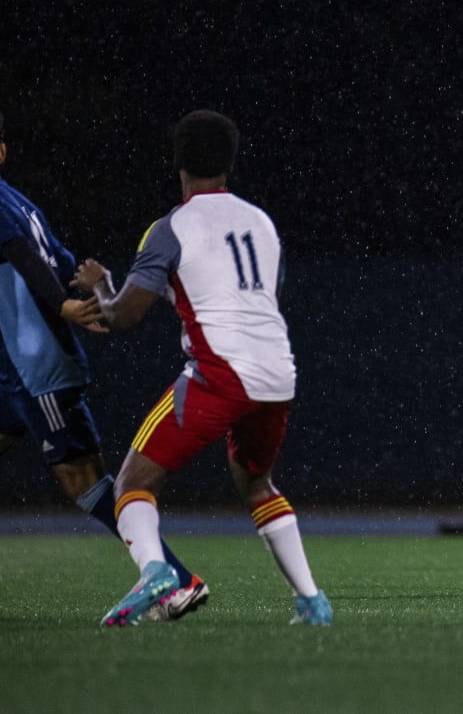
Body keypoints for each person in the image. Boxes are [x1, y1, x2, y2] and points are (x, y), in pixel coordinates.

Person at [72, 109, 330, 627]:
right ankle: (311, 601)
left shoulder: (172, 228)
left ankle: (155, 572)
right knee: (257, 485)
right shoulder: (262, 222)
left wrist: (100, 285)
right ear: (230, 164)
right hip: (278, 371)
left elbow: (125, 314)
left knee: (131, 484)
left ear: (178, 163)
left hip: (221, 373)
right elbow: (262, 300)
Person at [0, 111, 207, 621]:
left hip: (36, 368)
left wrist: (65, 305)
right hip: (14, 369)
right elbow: (58, 255)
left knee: (85, 482)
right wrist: (81, 293)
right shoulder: (19, 202)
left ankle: (176, 580)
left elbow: (22, 255)